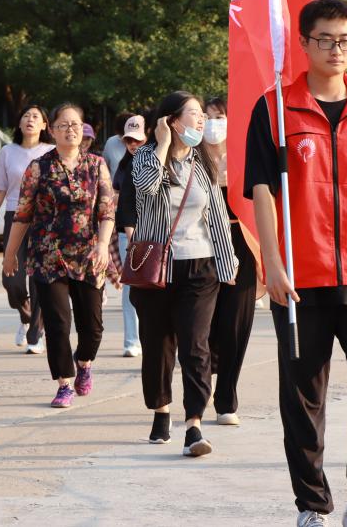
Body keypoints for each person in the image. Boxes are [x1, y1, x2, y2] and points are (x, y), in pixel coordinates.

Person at [244, 0, 347, 527]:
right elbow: (261, 190)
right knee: (302, 399)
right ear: (304, 42)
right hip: (301, 276)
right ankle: (312, 505)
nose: (337, 50)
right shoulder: (275, 109)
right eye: (326, 40)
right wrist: (272, 264)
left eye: (346, 41)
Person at [129, 91, 238, 457]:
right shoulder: (145, 156)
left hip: (200, 266)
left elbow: (217, 215)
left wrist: (227, 261)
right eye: (193, 113)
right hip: (156, 267)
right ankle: (161, 410)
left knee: (195, 345)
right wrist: (160, 143)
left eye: (202, 114)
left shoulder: (202, 162)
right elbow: (145, 188)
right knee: (158, 344)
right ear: (172, 121)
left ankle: (194, 424)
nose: (201, 120)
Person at [4, 103, 115, 408]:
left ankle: (84, 362)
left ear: (83, 129)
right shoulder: (38, 168)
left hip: (89, 256)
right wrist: (9, 254)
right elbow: (22, 215)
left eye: (75, 124)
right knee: (57, 324)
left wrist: (103, 245)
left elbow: (107, 211)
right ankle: (64, 383)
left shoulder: (96, 165)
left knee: (92, 328)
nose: (70, 130)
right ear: (52, 131)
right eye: (63, 125)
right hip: (48, 256)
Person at [201, 96, 258, 427]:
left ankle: (226, 399)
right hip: (201, 243)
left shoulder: (245, 156)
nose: (213, 123)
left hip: (241, 241)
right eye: (207, 117)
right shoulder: (190, 157)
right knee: (202, 320)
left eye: (219, 116)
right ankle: (204, 378)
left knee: (236, 321)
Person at [0, 105, 55, 353]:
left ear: (44, 125)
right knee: (11, 279)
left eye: (36, 117)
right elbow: (1, 188)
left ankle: (36, 335)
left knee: (38, 279)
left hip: (43, 219)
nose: (30, 120)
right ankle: (26, 317)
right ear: (19, 122)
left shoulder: (51, 151)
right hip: (14, 216)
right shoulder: (8, 152)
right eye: (26, 115)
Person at [114, 114, 147, 357]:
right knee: (130, 288)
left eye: (138, 139)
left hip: (157, 233)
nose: (133, 144)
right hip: (130, 235)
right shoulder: (124, 167)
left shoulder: (158, 162)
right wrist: (131, 235)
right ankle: (131, 341)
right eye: (129, 140)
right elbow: (122, 202)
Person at [103, 112, 134, 176]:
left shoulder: (144, 144)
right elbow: (104, 167)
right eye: (122, 135)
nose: (125, 139)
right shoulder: (111, 142)